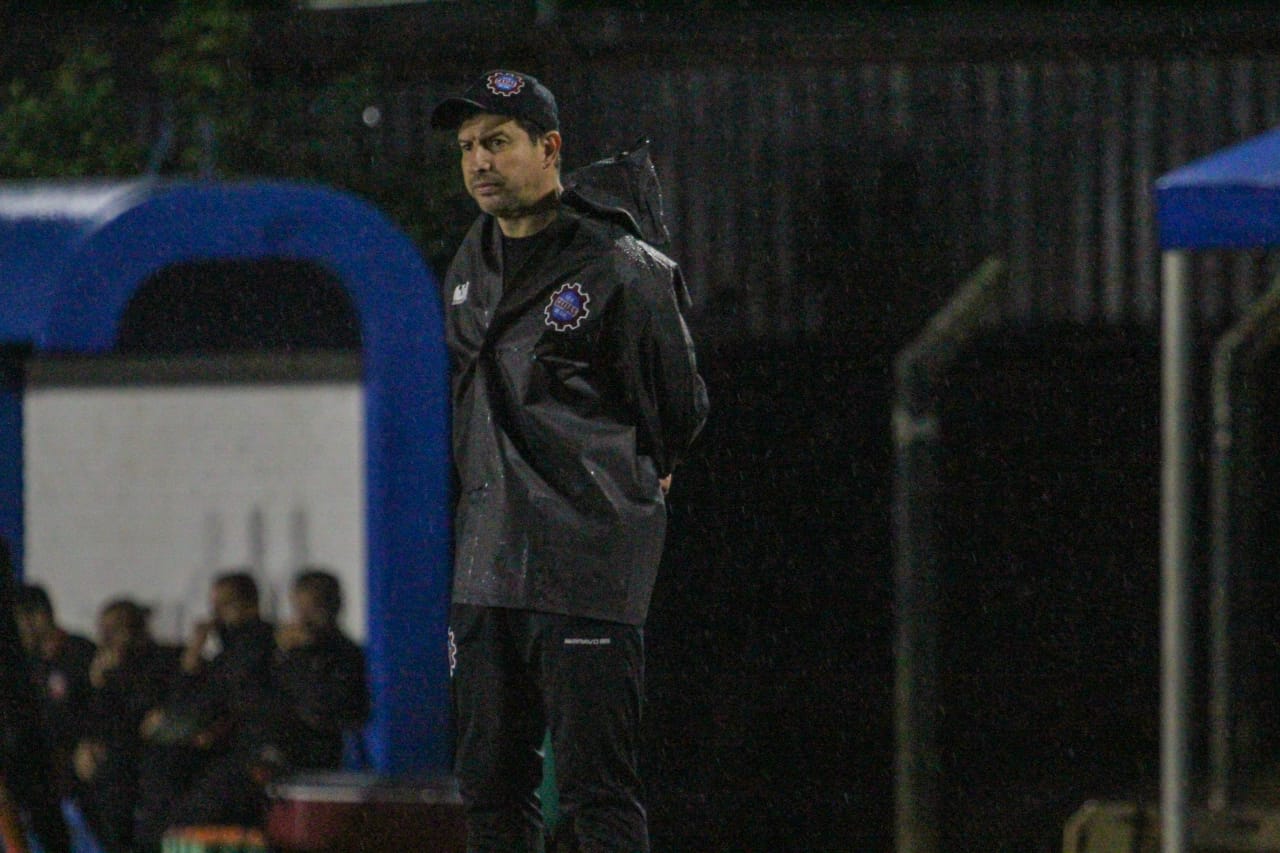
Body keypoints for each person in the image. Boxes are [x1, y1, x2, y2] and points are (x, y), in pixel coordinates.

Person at [430, 70, 709, 852]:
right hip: (486, 568)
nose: (479, 161)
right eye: (467, 148)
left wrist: (625, 483)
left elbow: (678, 408)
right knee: (489, 784)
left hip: (582, 564)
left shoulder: (621, 265)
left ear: (549, 148)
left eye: (498, 142)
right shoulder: (468, 262)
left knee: (595, 793)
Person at [134, 570, 276, 851]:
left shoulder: (257, 647)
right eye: (215, 607)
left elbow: (223, 703)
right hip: (217, 749)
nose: (216, 616)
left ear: (251, 605)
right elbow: (194, 701)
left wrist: (198, 726)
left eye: (226, 606)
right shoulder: (226, 652)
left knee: (182, 815)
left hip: (249, 754)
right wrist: (189, 662)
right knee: (153, 770)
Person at [73, 598, 180, 853]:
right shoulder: (102, 669)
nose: (106, 639)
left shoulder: (162, 660)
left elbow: (138, 716)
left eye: (114, 631)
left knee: (120, 781)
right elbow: (95, 723)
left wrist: (111, 682)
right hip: (118, 755)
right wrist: (100, 687)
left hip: (155, 753)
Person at [269, 567, 370, 771]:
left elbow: (320, 709)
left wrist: (299, 656)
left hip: (320, 755)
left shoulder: (345, 654)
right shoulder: (283, 650)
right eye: (299, 609)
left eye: (313, 610)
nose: (303, 620)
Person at [14, 583, 97, 798]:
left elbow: (101, 704)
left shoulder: (80, 653)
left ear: (39, 616)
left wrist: (88, 741)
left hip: (77, 751)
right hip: (37, 752)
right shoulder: (25, 662)